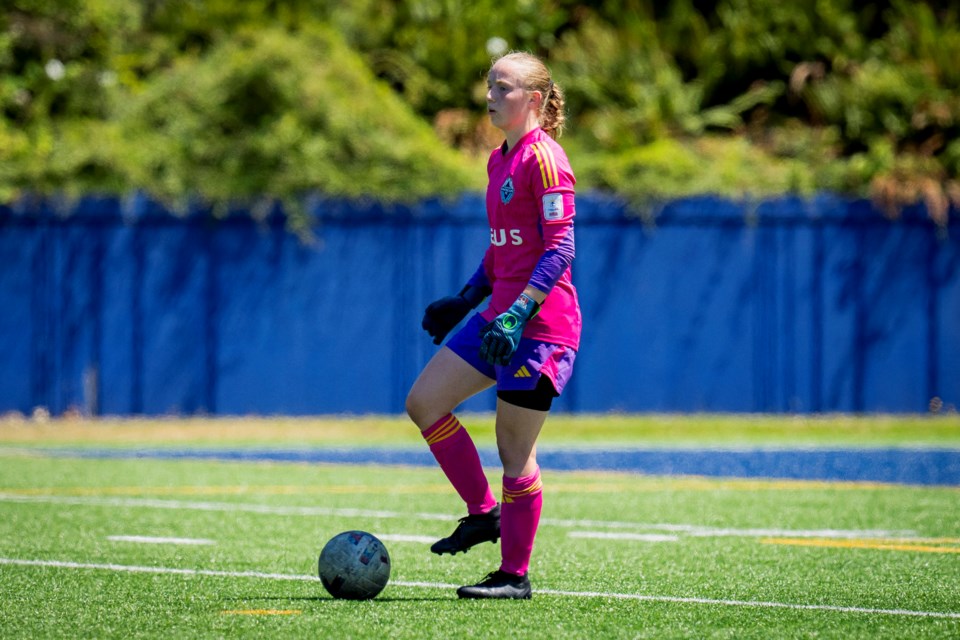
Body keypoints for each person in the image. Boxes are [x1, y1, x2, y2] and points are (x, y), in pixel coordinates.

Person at [405, 51, 581, 600]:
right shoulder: (498, 160)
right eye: (488, 85)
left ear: (532, 100)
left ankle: (513, 575)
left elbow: (560, 248)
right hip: (495, 317)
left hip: (541, 328)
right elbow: (503, 246)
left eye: (501, 88)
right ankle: (484, 514)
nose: (489, 96)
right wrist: (466, 298)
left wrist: (518, 311)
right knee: (424, 403)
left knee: (513, 454)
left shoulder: (546, 159)